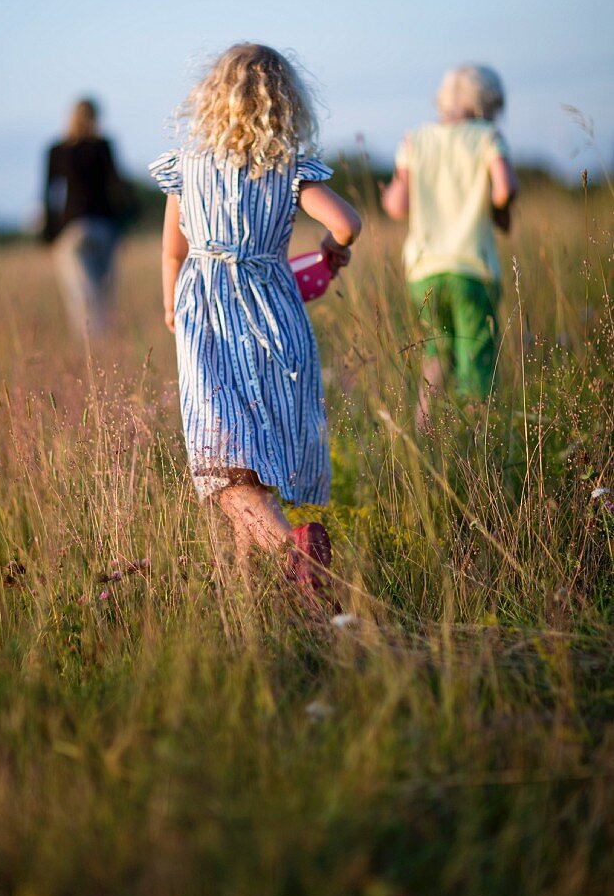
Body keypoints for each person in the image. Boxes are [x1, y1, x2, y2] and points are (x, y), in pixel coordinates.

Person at [149, 43, 361, 596]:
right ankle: (257, 596)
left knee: (223, 466)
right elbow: (348, 221)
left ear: (213, 100)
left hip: (207, 322)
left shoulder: (187, 169)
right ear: (285, 105)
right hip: (275, 316)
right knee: (254, 463)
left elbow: (173, 251)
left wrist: (172, 302)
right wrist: (332, 249)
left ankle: (292, 546)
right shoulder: (289, 170)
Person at [382, 64, 519, 427]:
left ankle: (423, 436)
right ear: (489, 104)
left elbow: (395, 205)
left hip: (423, 269)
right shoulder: (488, 136)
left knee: (435, 356)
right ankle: (478, 442)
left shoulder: (416, 139)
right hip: (472, 265)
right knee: (476, 359)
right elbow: (504, 189)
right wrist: (499, 207)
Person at [43, 98, 139, 338]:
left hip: (73, 230)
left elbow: (50, 194)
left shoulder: (58, 150)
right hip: (105, 228)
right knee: (104, 292)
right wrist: (125, 221)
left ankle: (90, 350)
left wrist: (49, 234)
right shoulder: (103, 146)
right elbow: (117, 184)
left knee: (80, 295)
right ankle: (105, 345)